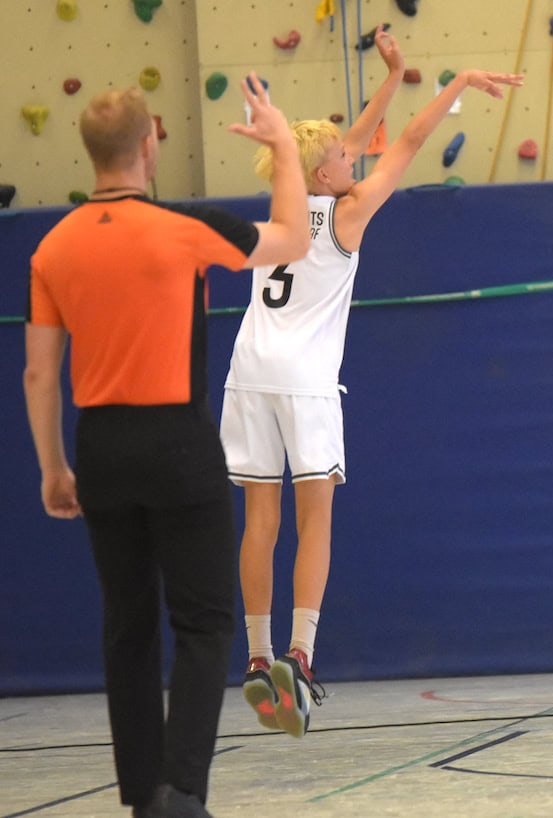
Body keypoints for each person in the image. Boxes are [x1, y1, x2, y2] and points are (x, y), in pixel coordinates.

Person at [219, 25, 524, 738]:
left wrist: (392, 75)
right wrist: (451, 84)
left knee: (259, 524)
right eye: (349, 156)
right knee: (314, 517)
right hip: (303, 378)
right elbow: (409, 143)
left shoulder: (286, 209)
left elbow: (343, 142)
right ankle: (302, 652)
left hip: (247, 372)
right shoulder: (347, 217)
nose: (361, 154)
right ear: (329, 173)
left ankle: (259, 659)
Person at [23, 77, 309, 818]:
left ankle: (142, 794)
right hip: (178, 441)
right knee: (206, 621)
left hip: (104, 444)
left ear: (90, 153)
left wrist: (55, 465)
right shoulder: (183, 229)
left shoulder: (51, 247)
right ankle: (181, 791)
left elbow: (38, 372)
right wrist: (282, 144)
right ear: (150, 142)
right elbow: (294, 239)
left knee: (126, 625)